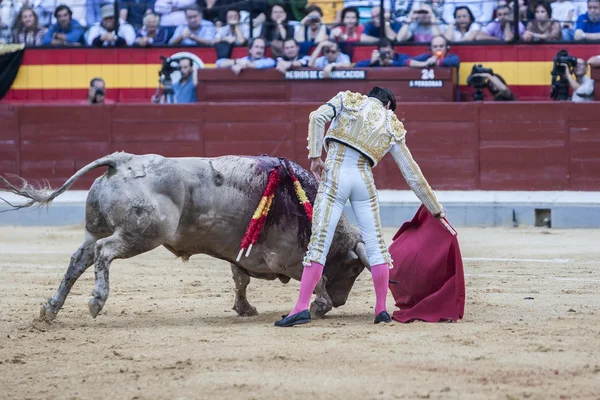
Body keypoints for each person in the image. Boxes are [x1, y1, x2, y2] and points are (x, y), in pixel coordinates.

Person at [274, 87, 446, 327]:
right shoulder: (391, 124)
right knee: (375, 245)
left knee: (320, 242)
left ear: (370, 97)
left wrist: (315, 156)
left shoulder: (348, 100)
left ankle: (301, 308)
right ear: (387, 106)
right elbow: (412, 173)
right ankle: (380, 310)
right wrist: (435, 207)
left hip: (335, 173)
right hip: (364, 181)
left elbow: (316, 117)